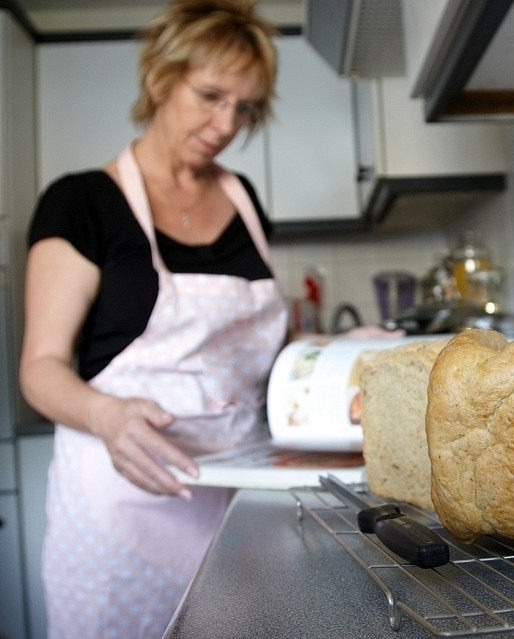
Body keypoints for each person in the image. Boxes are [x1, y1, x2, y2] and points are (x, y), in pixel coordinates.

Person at [19, 1, 397, 637]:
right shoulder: (81, 201)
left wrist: (329, 348)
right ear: (160, 79)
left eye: (244, 107)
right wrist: (106, 416)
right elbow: (40, 367)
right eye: (210, 96)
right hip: (125, 498)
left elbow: (267, 345)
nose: (226, 123)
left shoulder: (242, 197)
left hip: (243, 493)